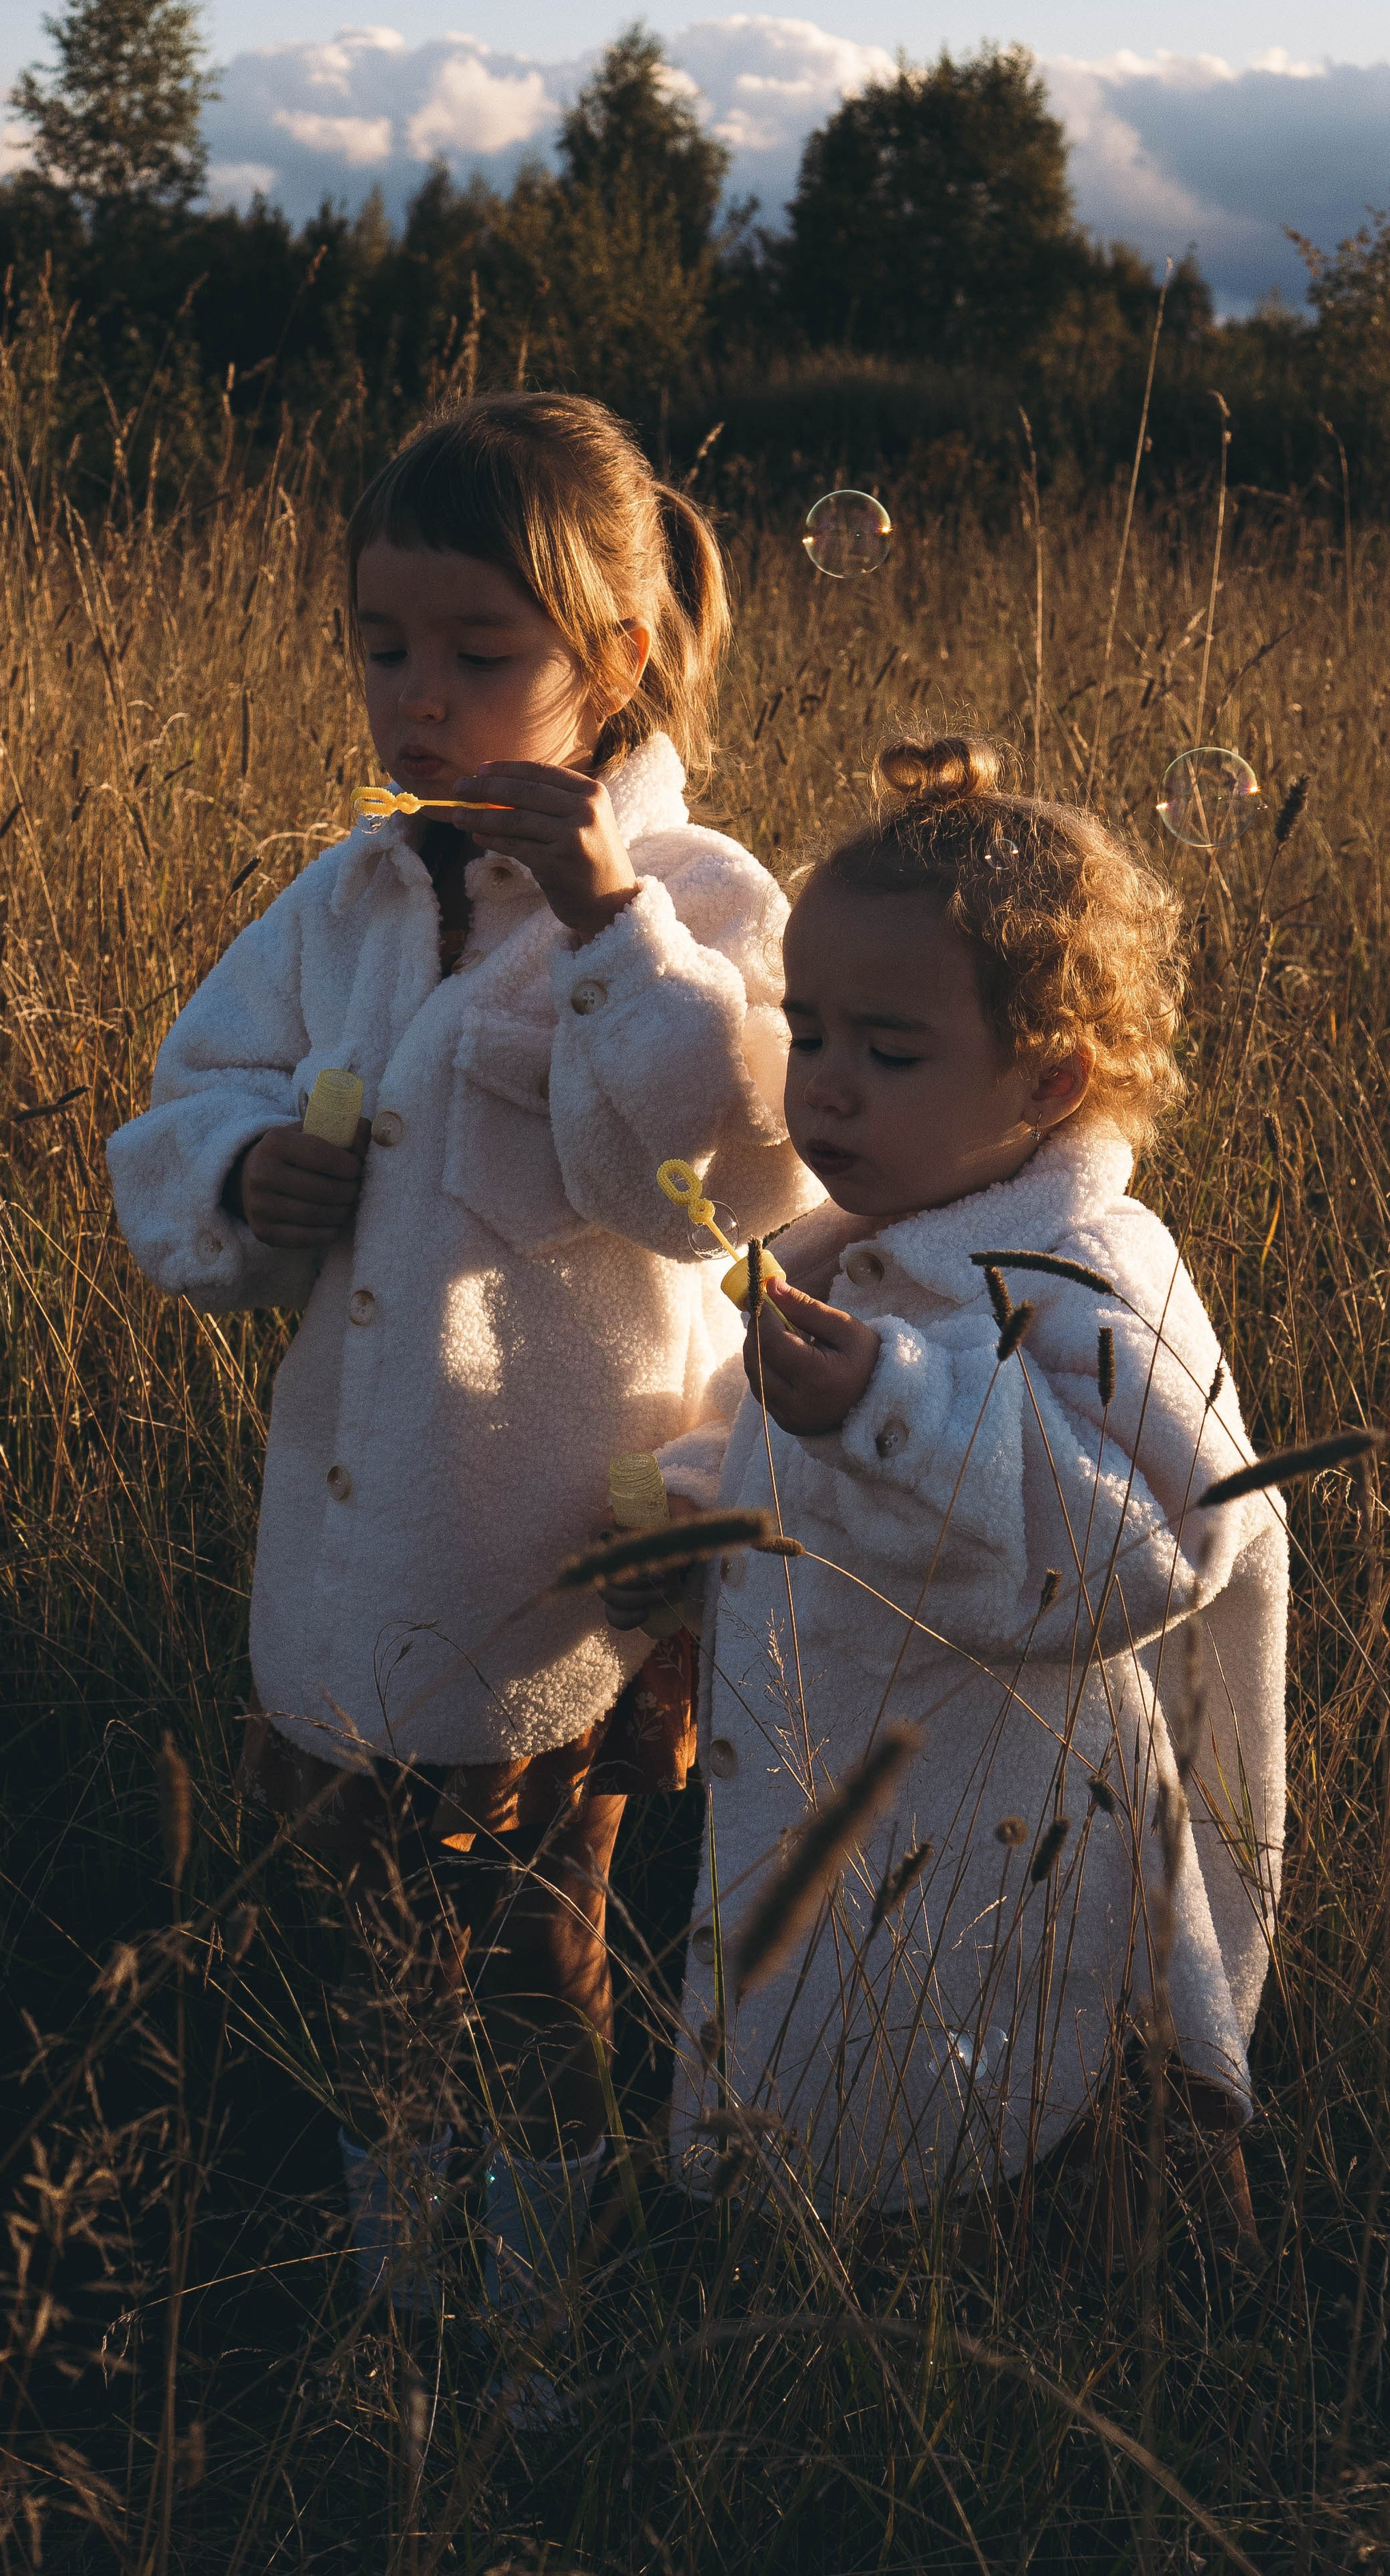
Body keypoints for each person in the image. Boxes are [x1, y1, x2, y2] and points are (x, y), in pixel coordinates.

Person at [107, 393, 814, 2336]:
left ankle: (537, 2351)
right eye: (383, 647)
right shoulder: (349, 898)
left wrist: (606, 925)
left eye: (479, 656)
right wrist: (252, 1170)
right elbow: (186, 1102)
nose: (418, 698)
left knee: (536, 1953)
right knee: (367, 1953)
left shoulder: (710, 902)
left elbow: (721, 1180)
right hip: (354, 1545)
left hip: (547, 1568)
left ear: (622, 660)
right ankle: (398, 2306)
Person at [623, 734, 1286, 2250]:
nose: (825, 1088)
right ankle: (830, 2317)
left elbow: (1156, 1552)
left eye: (888, 1051)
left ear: (1045, 1078)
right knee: (846, 2064)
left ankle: (1116, 2329)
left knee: (1032, 2115)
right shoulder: (844, 1242)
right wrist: (685, 1509)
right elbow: (760, 1440)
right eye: (808, 1031)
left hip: (1012, 1824)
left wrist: (893, 1409)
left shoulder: (1088, 1275)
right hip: (831, 1793)